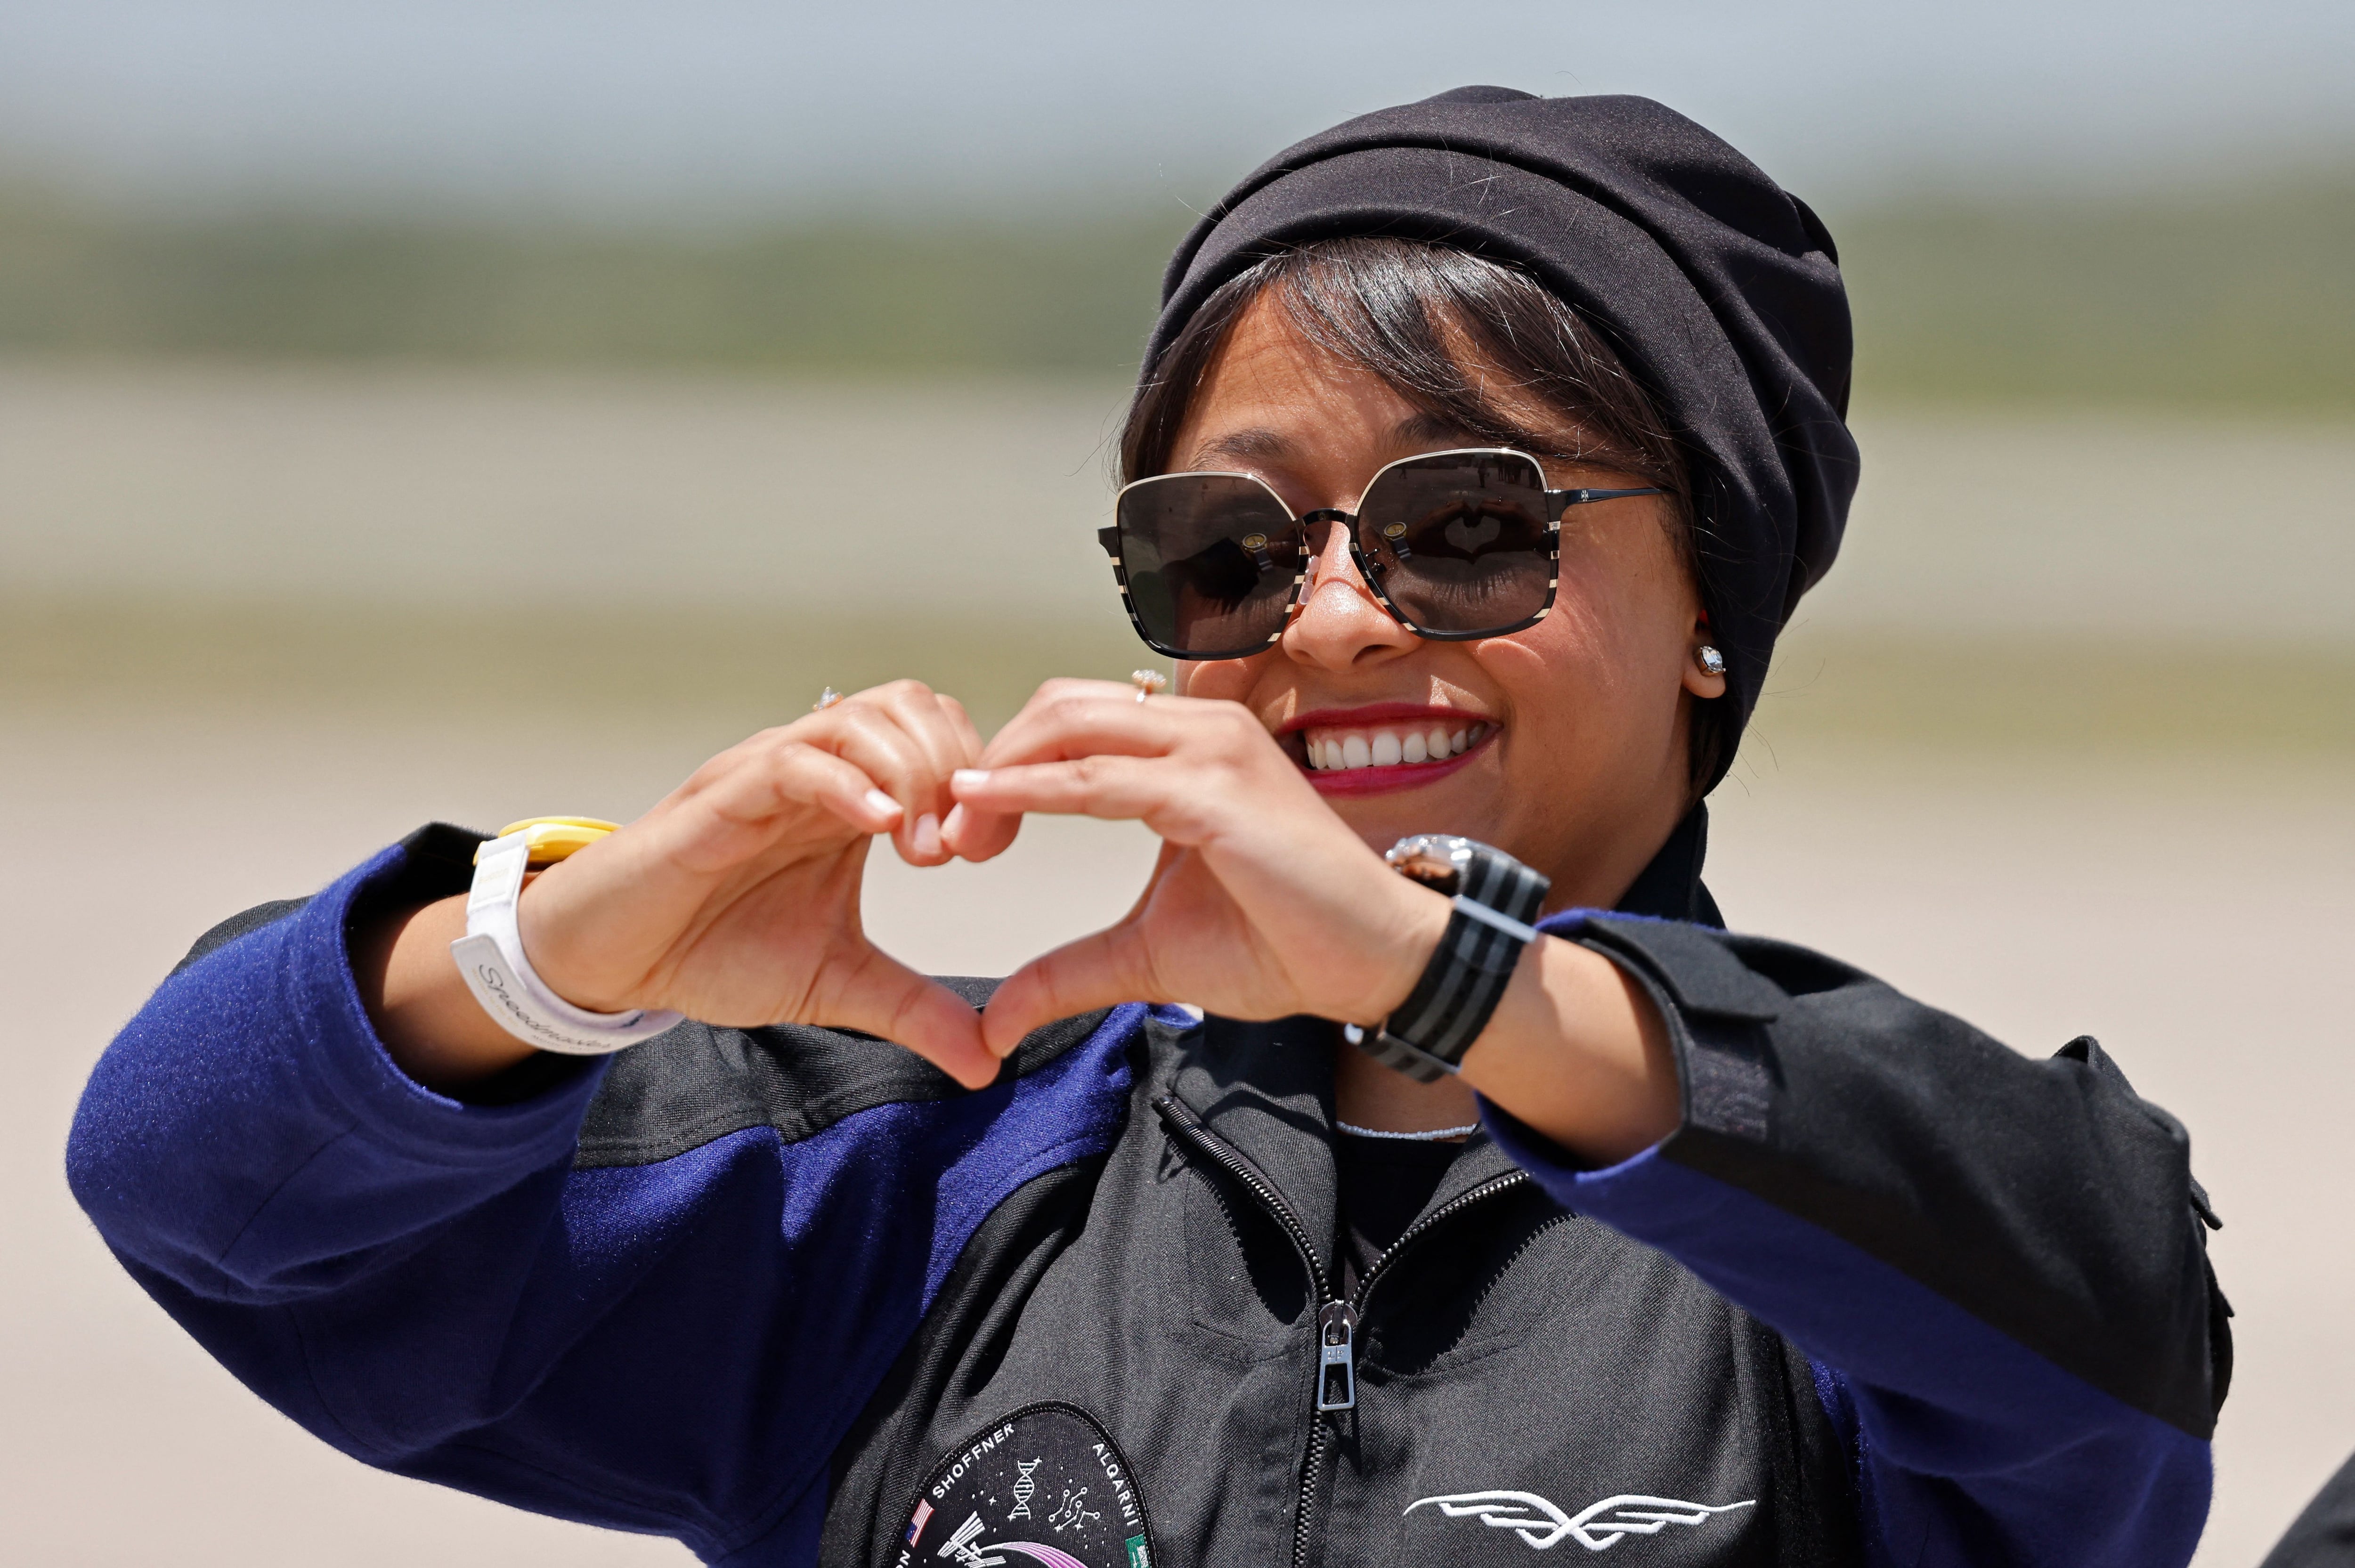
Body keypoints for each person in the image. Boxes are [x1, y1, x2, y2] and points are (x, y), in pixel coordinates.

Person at [67, 89, 2228, 1568]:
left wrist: (1442, 973)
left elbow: (2102, 1305)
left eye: (1469, 522)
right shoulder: (929, 1161)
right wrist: (572, 948)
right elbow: (197, 1181)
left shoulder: (1876, 1238)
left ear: (1708, 614)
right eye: (1231, 546)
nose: (1342, 617)